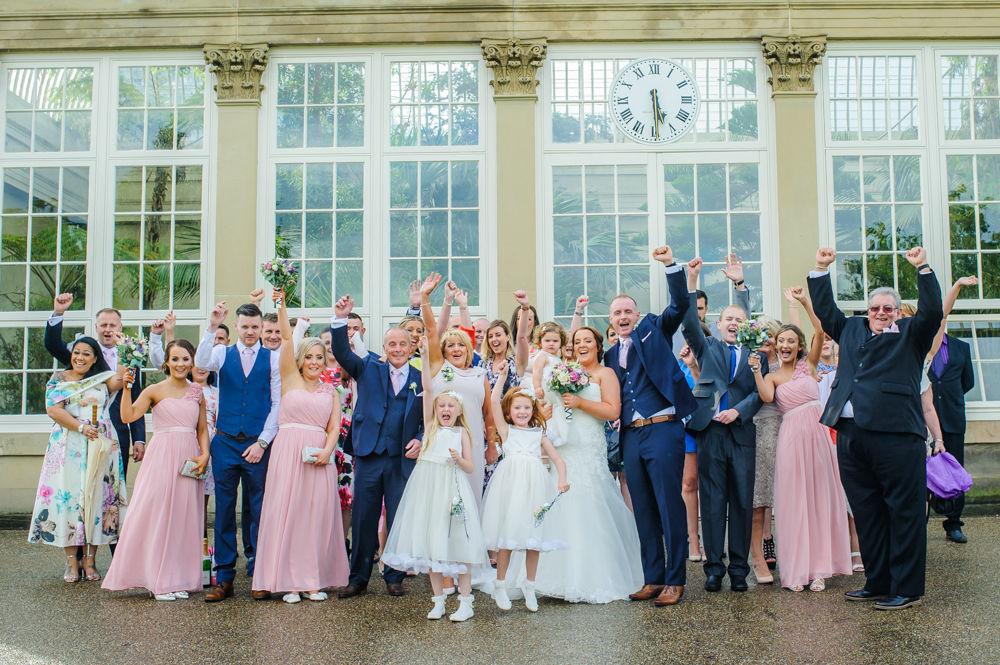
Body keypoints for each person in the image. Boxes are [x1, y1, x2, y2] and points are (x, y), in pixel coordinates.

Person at [808, 246, 942, 610]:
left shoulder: (913, 333)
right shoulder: (850, 328)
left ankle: (907, 587)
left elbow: (932, 311)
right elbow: (825, 311)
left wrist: (923, 268)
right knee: (867, 511)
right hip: (851, 434)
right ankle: (878, 581)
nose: (880, 313)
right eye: (874, 308)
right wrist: (821, 268)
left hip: (897, 435)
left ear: (898, 312)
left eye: (887, 308)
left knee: (904, 511)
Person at [604, 245, 696, 607]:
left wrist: (671, 266)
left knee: (669, 504)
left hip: (663, 428)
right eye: (617, 313)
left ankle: (676, 579)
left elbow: (680, 305)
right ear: (610, 320)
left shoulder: (655, 329)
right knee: (642, 506)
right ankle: (653, 577)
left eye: (628, 310)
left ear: (637, 314)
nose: (623, 316)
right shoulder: (610, 355)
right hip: (631, 434)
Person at [749, 288, 852, 592]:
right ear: (776, 346)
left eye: (791, 341)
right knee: (794, 504)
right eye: (781, 341)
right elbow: (766, 397)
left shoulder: (811, 366)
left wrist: (806, 302)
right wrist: (756, 371)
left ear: (799, 347)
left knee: (818, 501)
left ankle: (819, 570)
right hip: (791, 437)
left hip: (817, 435)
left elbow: (820, 330)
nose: (785, 345)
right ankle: (797, 570)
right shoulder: (772, 377)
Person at [381, 337, 489, 622]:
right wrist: (427, 352)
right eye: (441, 406)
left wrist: (458, 459)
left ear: (459, 411)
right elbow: (428, 386)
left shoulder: (462, 434)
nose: (445, 410)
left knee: (459, 544)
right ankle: (439, 599)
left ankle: (466, 602)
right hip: (428, 489)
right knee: (433, 543)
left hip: (454, 489)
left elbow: (469, 466)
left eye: (450, 407)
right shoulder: (429, 428)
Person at [252, 290, 350, 603]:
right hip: (288, 453)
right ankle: (288, 583)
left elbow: (334, 427)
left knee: (314, 518)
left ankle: (311, 581)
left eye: (319, 357)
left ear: (325, 362)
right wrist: (281, 306)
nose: (314, 362)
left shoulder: (331, 391)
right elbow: (285, 340)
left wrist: (327, 452)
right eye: (309, 356)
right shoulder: (289, 377)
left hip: (319, 457)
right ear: (301, 359)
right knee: (288, 514)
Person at [533, 324, 642, 603]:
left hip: (590, 446)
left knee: (591, 502)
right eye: (577, 341)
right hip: (565, 449)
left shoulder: (606, 374)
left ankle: (594, 575)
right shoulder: (563, 371)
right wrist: (548, 410)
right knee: (563, 503)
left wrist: (580, 403)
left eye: (588, 341)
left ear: (597, 345)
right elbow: (553, 407)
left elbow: (613, 410)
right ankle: (556, 577)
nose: (582, 345)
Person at [330, 293, 425, 598]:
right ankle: (357, 577)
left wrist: (420, 439)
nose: (398, 349)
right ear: (384, 348)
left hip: (400, 458)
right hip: (369, 454)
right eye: (392, 344)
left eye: (403, 344)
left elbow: (430, 417)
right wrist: (340, 319)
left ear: (412, 347)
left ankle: (394, 575)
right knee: (363, 517)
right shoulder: (368, 367)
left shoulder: (421, 378)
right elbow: (343, 353)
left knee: (398, 516)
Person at [103, 340, 210, 600]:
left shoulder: (197, 392)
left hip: (189, 458)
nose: (181, 364)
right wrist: (127, 387)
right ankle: (157, 580)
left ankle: (177, 579)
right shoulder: (154, 390)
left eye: (185, 359)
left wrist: (205, 453)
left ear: (192, 361)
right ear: (166, 363)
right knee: (158, 514)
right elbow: (128, 416)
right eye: (175, 359)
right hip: (162, 456)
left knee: (183, 518)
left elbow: (202, 429)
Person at [682, 257, 764, 594]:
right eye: (728, 318)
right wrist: (692, 280)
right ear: (717, 324)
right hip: (711, 432)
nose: (733, 323)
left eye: (739, 319)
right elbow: (688, 321)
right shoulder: (708, 346)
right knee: (713, 501)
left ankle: (740, 571)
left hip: (742, 432)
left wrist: (741, 287)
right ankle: (714, 570)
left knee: (742, 502)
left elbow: (762, 392)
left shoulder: (756, 352)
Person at [195, 301, 281, 602]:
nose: (250, 332)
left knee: (259, 510)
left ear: (261, 327)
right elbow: (201, 362)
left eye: (255, 327)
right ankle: (224, 576)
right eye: (244, 326)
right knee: (224, 511)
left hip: (257, 442)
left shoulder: (272, 359)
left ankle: (260, 574)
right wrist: (212, 326)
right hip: (226, 441)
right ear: (238, 326)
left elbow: (276, 404)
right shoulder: (221, 352)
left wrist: (262, 443)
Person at [29, 337, 127, 583]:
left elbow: (123, 378)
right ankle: (72, 561)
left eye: (86, 354)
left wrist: (127, 350)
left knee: (98, 497)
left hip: (101, 443)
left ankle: (91, 559)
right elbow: (53, 409)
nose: (80, 357)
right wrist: (80, 428)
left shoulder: (103, 378)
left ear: (96, 357)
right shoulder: (59, 379)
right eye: (76, 353)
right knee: (71, 498)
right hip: (70, 443)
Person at [484, 362, 569, 612]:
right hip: (509, 489)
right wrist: (501, 377)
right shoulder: (506, 430)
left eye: (526, 408)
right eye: (517, 408)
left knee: (534, 539)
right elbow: (492, 402)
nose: (522, 412)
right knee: (507, 538)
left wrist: (562, 479)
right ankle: (500, 584)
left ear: (533, 410)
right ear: (509, 411)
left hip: (534, 489)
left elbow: (558, 460)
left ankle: (529, 584)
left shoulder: (538, 434)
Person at [44, 294, 145, 481]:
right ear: (96, 327)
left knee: (112, 486)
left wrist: (139, 438)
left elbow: (136, 399)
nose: (108, 330)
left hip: (117, 431)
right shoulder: (82, 353)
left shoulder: (131, 358)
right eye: (103, 325)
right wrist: (58, 311)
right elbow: (52, 345)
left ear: (119, 327)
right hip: (80, 432)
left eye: (112, 325)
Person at [419, 274, 496, 509]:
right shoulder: (438, 368)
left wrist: (491, 445)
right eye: (450, 345)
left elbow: (488, 414)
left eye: (461, 344)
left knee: (470, 500)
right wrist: (426, 298)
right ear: (442, 350)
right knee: (440, 500)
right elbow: (432, 330)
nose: (456, 348)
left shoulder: (478, 375)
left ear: (469, 349)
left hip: (471, 445)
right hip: (440, 443)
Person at [926, 276, 977, 543]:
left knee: (955, 470)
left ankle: (954, 523)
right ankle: (919, 522)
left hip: (953, 419)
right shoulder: (921, 348)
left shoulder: (961, 347)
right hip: (923, 420)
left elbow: (967, 382)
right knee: (921, 471)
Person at [750, 314, 782, 584]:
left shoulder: (787, 362)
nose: (768, 341)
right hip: (759, 427)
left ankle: (782, 544)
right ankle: (759, 551)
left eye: (771, 335)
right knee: (759, 495)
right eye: (762, 337)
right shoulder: (751, 362)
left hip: (786, 428)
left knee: (783, 493)